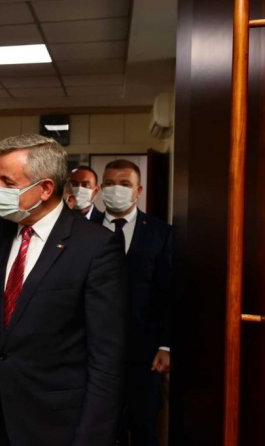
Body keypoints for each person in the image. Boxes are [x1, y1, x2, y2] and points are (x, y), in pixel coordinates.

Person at [0, 134, 128, 445]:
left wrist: (92, 437)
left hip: (55, 424)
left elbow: (106, 358)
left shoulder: (95, 247)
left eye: (7, 182)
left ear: (45, 188)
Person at [92, 159, 173, 446]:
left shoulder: (161, 233)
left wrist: (166, 345)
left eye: (125, 184)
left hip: (144, 354)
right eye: (110, 183)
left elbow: (168, 292)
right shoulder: (81, 230)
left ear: (138, 190)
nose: (117, 189)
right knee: (99, 430)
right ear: (101, 188)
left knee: (144, 428)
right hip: (93, 353)